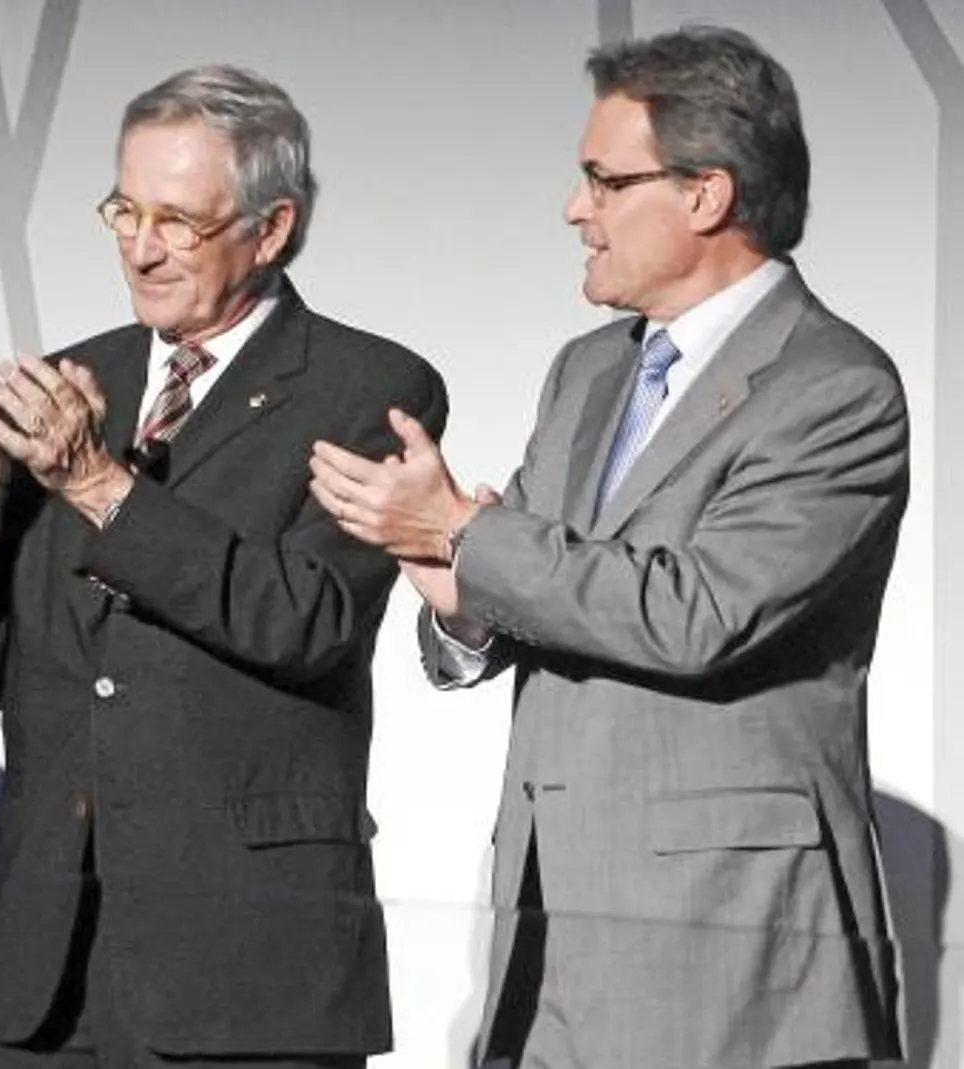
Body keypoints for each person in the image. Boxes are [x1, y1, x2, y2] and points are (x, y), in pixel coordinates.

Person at [308, 26, 904, 1069]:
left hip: (730, 948)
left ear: (705, 196)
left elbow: (695, 614)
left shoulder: (832, 389)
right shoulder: (586, 371)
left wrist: (463, 529)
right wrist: (451, 590)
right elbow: (521, 584)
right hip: (553, 938)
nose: (574, 209)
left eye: (602, 180)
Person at [0, 64, 446, 1068]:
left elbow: (307, 621)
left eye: (178, 222)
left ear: (271, 227)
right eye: (123, 210)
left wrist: (102, 487)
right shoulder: (79, 377)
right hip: (46, 970)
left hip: (246, 968)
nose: (139, 249)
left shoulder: (367, 388)